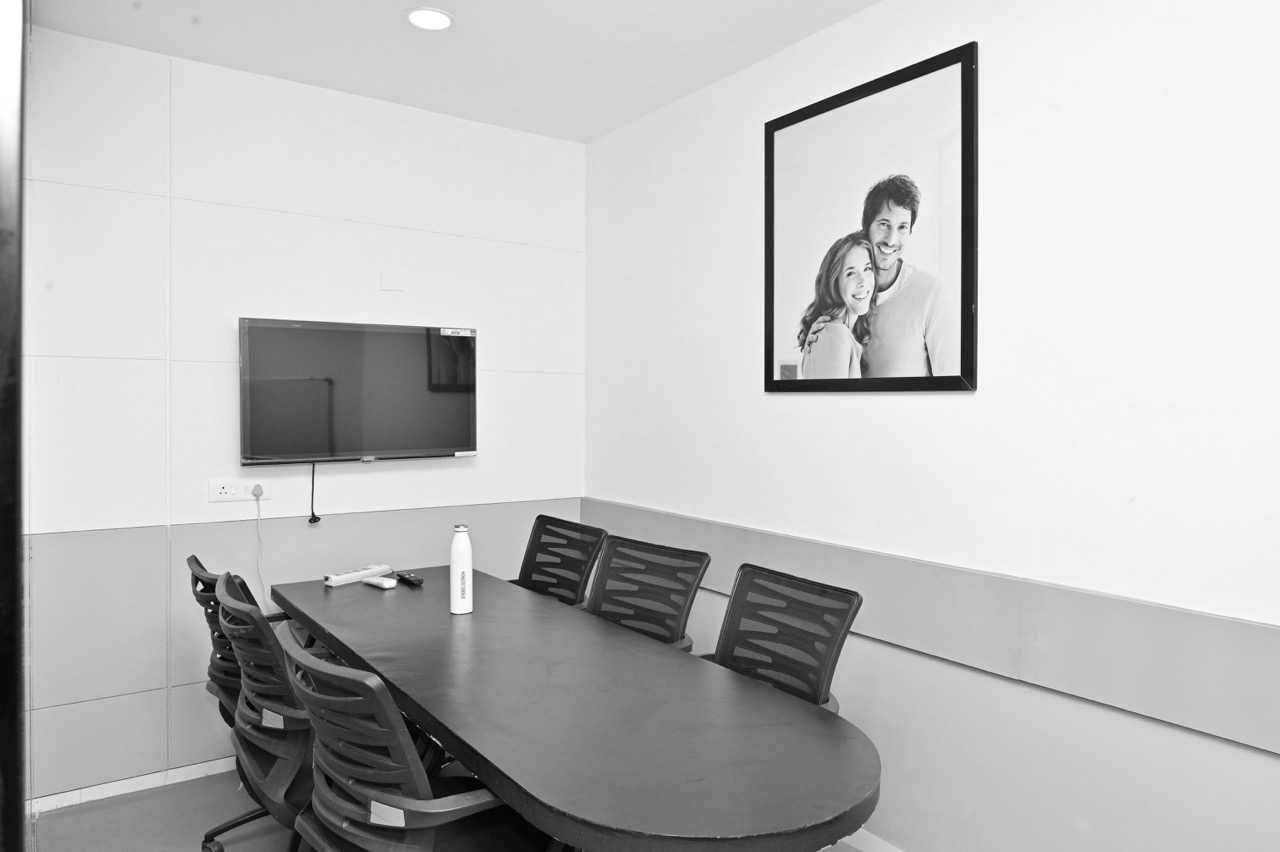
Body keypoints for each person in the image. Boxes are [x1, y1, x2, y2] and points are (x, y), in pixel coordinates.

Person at [806, 175, 958, 377]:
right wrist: (822, 343)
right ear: (867, 226)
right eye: (884, 224)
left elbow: (952, 382)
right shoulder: (849, 300)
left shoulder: (931, 293)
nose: (891, 240)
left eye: (902, 227)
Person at [797, 231, 877, 379]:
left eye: (867, 268)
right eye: (851, 273)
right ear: (834, 283)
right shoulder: (834, 336)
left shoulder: (842, 335)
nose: (863, 281)